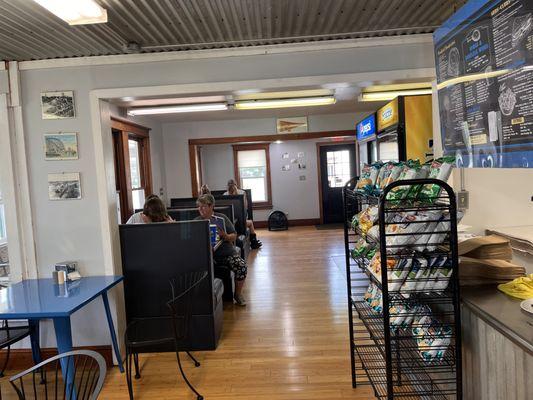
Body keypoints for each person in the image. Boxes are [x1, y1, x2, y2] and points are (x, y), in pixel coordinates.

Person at [195, 194, 248, 306]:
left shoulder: (222, 218)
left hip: (225, 253)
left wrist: (224, 236)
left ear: (211, 206)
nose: (200, 209)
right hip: (206, 256)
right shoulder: (197, 221)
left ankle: (237, 294)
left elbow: (234, 235)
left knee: (241, 266)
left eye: (203, 206)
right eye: (199, 207)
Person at [224, 179, 262, 249]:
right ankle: (254, 242)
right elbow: (245, 207)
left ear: (227, 186)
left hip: (228, 224)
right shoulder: (242, 192)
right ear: (236, 184)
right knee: (250, 223)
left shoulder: (224, 194)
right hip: (240, 224)